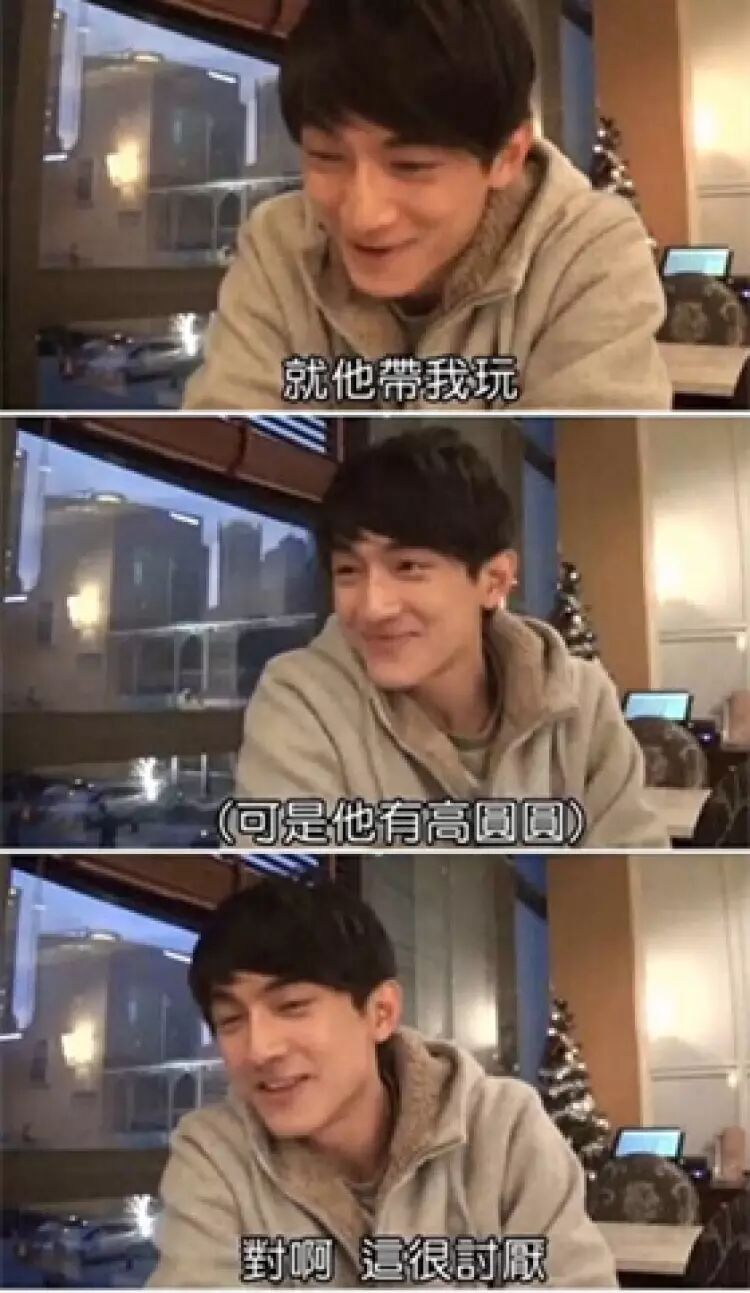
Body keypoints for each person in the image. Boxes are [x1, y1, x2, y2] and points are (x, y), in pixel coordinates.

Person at [184, 0, 670, 412]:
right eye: (326, 157)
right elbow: (227, 413)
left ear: (507, 157)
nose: (363, 215)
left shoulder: (591, 253)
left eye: (411, 166)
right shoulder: (280, 240)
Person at [149, 879, 617, 1287]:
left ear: (380, 1013)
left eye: (292, 1007)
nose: (259, 1049)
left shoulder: (503, 1128)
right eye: (231, 1020)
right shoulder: (215, 1154)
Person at [234, 431, 668, 848]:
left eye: (408, 567)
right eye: (348, 571)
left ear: (494, 581)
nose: (372, 607)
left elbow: (632, 848)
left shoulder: (580, 699)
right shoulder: (302, 699)